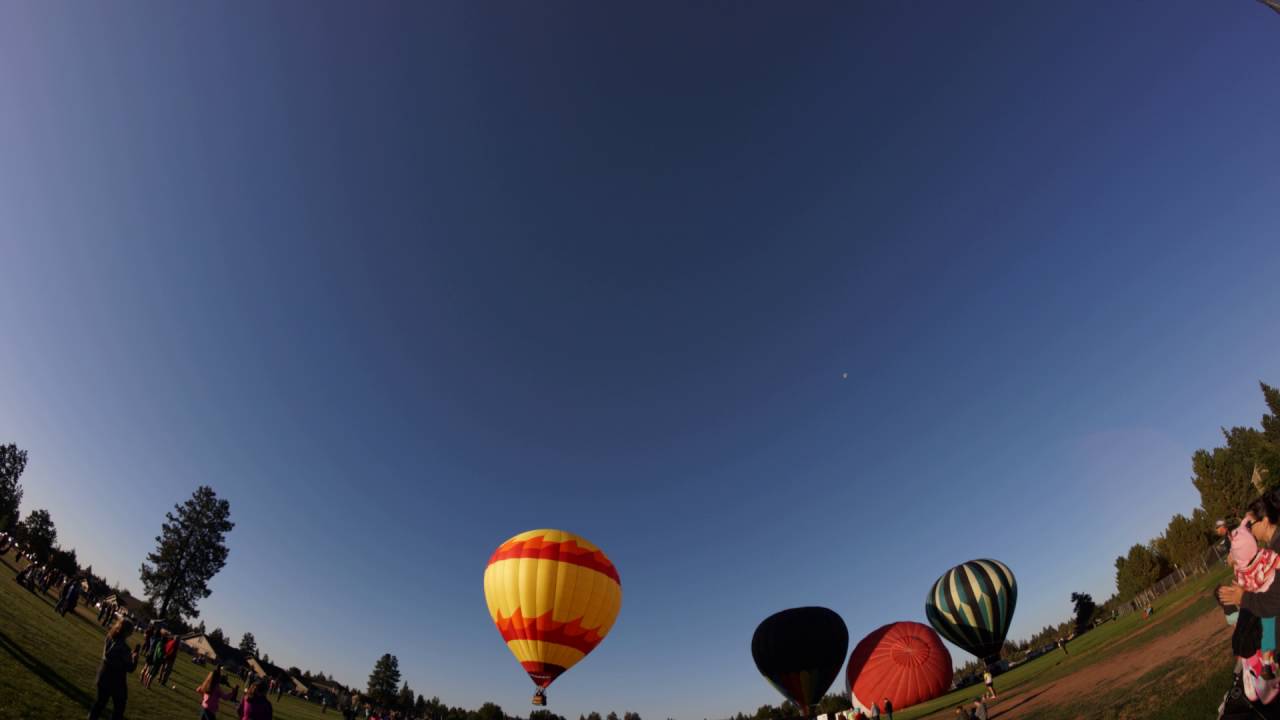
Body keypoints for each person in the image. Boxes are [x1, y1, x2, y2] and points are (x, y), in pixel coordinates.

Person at [88, 618, 139, 720]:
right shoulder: (125, 649)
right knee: (119, 709)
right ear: (128, 632)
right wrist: (135, 657)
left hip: (103, 675)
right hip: (117, 681)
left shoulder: (109, 637)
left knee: (99, 704)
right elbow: (130, 668)